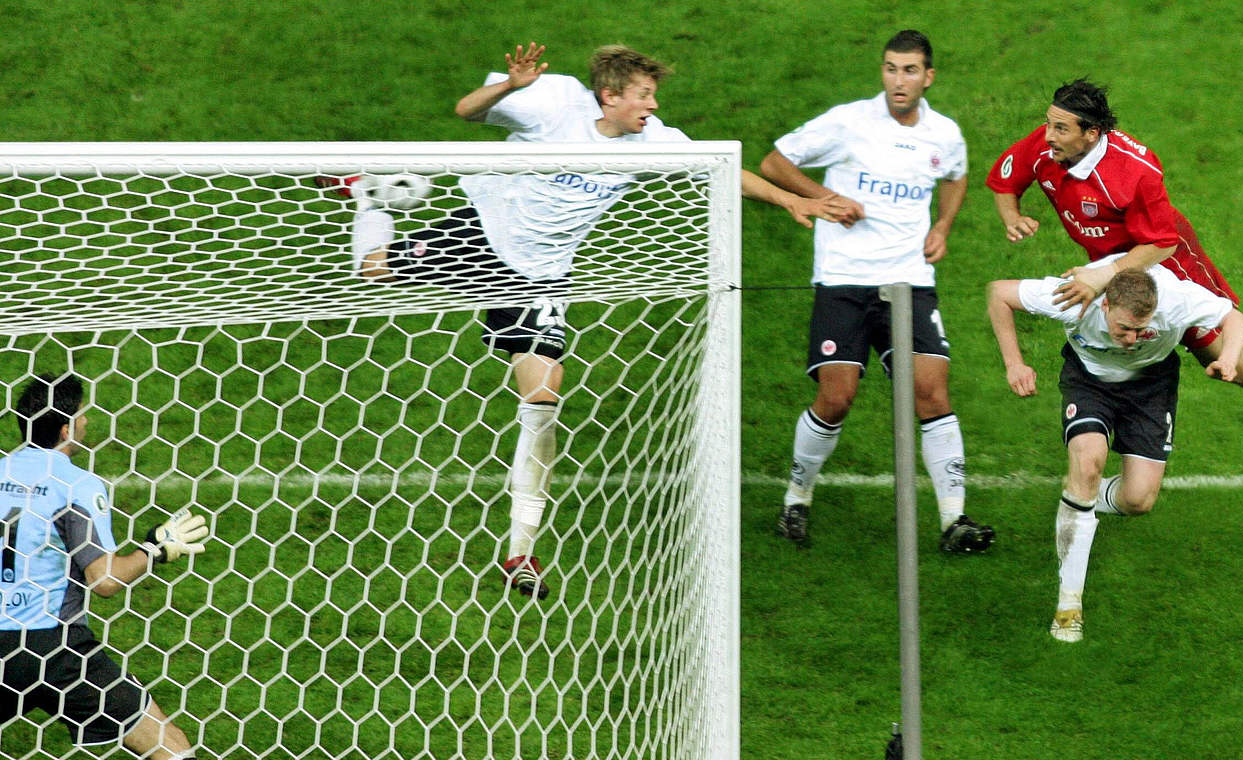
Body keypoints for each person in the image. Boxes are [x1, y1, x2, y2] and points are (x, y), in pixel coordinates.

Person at [321, 43, 854, 600]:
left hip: (538, 279)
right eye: (644, 95)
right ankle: (368, 197)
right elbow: (467, 111)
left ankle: (520, 552)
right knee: (374, 271)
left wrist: (790, 201)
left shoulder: (653, 140)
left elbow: (723, 169)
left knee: (544, 403)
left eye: (653, 96)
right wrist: (510, 84)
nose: (652, 105)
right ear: (611, 96)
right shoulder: (553, 103)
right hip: (482, 233)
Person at [986, 78, 1243, 490]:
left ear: (1091, 133)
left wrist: (1104, 275)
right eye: (1048, 124)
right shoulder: (1049, 143)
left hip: (1164, 260)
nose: (1047, 136)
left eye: (1060, 129)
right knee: (1216, 351)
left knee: (1209, 344)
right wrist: (1011, 217)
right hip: (1113, 263)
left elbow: (1161, 242)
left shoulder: (1133, 172)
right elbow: (1004, 180)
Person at [757, 29, 994, 552]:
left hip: (910, 281)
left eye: (910, 71)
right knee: (837, 398)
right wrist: (825, 197)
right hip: (843, 280)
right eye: (890, 68)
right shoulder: (848, 122)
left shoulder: (945, 133)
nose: (898, 80)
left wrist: (943, 228)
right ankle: (797, 498)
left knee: (932, 391)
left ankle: (954, 519)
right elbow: (775, 162)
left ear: (928, 77)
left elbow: (956, 175)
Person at [987, 263, 1243, 641]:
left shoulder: (1175, 299)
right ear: (1105, 305)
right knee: (1087, 462)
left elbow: (1235, 318)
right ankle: (1068, 606)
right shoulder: (1073, 296)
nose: (1130, 338)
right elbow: (999, 293)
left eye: (1140, 330)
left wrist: (1229, 357)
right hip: (1089, 382)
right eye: (1123, 328)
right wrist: (1014, 363)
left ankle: (1081, 498)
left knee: (1138, 499)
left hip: (1150, 385)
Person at [1, 374, 211, 758]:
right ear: (66, 428)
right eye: (82, 415)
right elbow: (105, 580)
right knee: (168, 745)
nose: (87, 422)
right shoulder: (76, 484)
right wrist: (154, 550)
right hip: (54, 649)